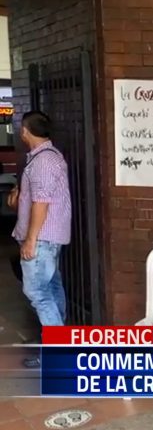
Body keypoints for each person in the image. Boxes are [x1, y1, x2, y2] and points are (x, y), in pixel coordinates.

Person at [12, 111, 72, 368]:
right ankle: (59, 342)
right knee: (51, 288)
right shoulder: (45, 157)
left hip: (42, 239)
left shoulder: (44, 161)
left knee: (37, 292)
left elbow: (41, 203)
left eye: (22, 129)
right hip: (47, 239)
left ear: (25, 131)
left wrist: (30, 239)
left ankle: (58, 353)